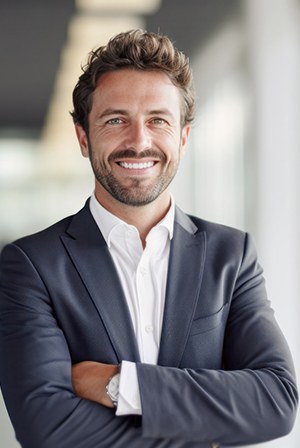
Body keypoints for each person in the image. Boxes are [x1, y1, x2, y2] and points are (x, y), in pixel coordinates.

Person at [0, 29, 298, 448]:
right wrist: (202, 430)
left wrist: (122, 385)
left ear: (183, 136)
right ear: (84, 137)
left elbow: (276, 402)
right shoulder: (32, 265)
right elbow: (46, 428)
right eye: (115, 120)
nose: (138, 141)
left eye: (158, 120)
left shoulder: (231, 257)